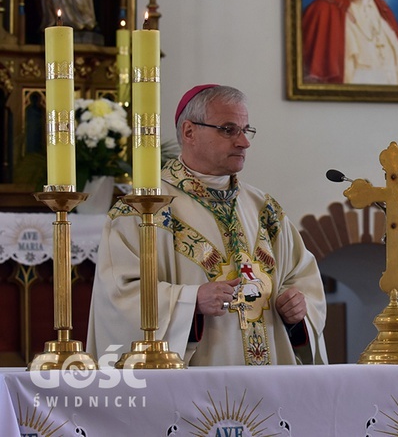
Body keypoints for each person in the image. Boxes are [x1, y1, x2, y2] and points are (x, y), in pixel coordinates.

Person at [87, 85, 328, 365]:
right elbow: (118, 297)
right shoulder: (143, 210)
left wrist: (298, 305)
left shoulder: (265, 209)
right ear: (189, 132)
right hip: (195, 386)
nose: (243, 142)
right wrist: (191, 301)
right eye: (228, 129)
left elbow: (302, 277)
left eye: (245, 130)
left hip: (269, 383)